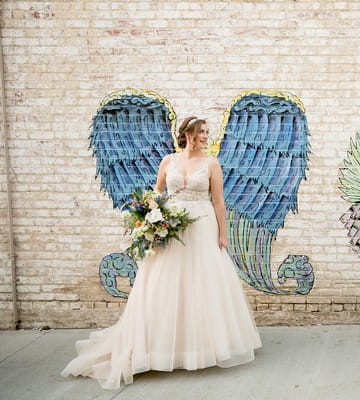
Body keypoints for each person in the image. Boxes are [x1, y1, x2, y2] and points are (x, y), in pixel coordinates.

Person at [62, 117, 262, 389]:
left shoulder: (212, 164)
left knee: (202, 285)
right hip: (172, 227)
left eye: (206, 132)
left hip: (202, 227)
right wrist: (148, 218)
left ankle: (201, 347)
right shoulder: (168, 161)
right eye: (201, 132)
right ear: (188, 134)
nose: (205, 136)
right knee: (163, 286)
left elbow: (218, 201)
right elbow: (157, 194)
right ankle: (159, 349)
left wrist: (223, 234)